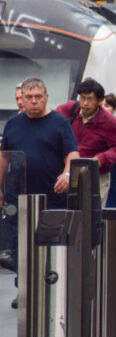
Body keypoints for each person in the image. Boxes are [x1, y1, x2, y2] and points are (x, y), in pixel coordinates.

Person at [1, 77, 79, 308]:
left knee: (50, 242)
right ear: (22, 100)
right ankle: (23, 289)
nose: (34, 102)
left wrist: (67, 174)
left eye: (38, 97)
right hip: (19, 196)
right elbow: (4, 159)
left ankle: (51, 286)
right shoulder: (13, 124)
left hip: (52, 195)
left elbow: (72, 153)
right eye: (29, 98)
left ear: (46, 97)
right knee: (19, 244)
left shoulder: (60, 123)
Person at [56, 78, 116, 207]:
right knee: (69, 215)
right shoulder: (69, 109)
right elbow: (53, 124)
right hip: (68, 172)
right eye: (82, 98)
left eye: (90, 99)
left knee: (91, 217)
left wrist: (100, 159)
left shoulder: (109, 121)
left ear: (100, 101)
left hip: (96, 175)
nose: (85, 103)